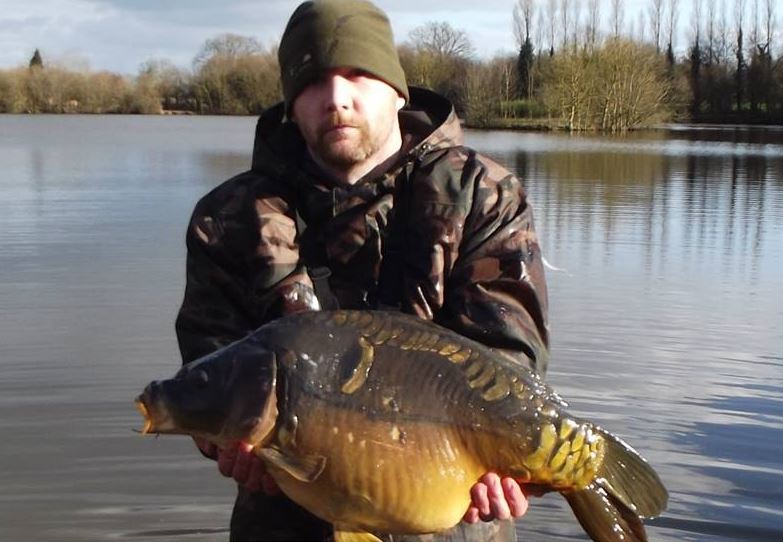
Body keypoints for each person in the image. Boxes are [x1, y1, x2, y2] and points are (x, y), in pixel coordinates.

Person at [175, 0, 550, 540]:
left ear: (397, 90)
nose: (336, 98)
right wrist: (223, 442)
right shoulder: (228, 218)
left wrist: (510, 457)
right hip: (285, 516)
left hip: (451, 513)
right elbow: (208, 374)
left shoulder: (483, 195)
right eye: (312, 82)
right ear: (290, 104)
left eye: (357, 74)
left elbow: (510, 357)